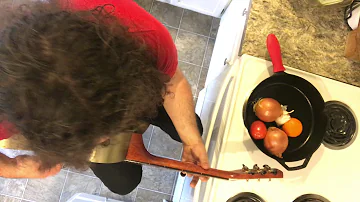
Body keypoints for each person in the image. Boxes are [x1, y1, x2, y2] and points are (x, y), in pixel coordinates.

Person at [0, 0, 209, 195]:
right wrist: (12, 167)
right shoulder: (8, 105)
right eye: (96, 138)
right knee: (124, 182)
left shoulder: (139, 34)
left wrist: (191, 139)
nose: (109, 138)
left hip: (133, 79)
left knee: (193, 129)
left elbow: (175, 82)